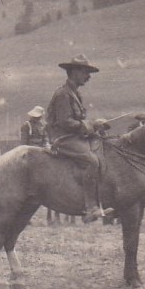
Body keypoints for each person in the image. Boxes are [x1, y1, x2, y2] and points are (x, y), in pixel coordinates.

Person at [46, 55, 109, 222]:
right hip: (63, 139)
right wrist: (91, 125)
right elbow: (64, 122)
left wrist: (95, 128)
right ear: (74, 72)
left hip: (75, 137)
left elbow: (78, 122)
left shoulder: (74, 94)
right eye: (85, 72)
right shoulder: (63, 94)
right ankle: (90, 208)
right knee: (92, 161)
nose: (88, 77)